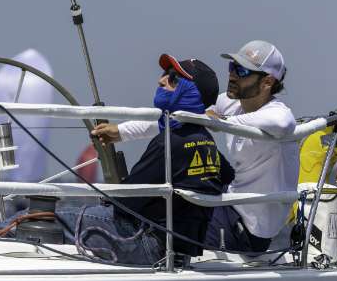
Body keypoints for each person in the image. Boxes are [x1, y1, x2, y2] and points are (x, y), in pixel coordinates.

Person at [57, 55, 234, 265]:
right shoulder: (206, 141)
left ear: (190, 92)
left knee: (44, 217)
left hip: (148, 245)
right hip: (180, 250)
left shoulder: (168, 142)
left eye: (173, 79)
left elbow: (126, 200)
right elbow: (227, 175)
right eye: (164, 75)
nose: (161, 81)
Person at [204, 40, 298, 253]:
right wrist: (119, 132)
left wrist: (220, 122)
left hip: (248, 227)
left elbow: (283, 123)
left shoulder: (276, 112)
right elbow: (187, 114)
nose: (232, 75)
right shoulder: (231, 103)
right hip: (228, 201)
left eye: (242, 70)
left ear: (267, 82)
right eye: (231, 67)